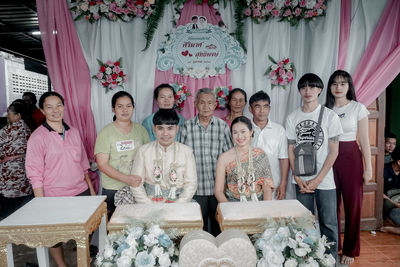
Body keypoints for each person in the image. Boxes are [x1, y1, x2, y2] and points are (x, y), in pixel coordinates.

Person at [25, 91, 96, 267]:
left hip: (80, 191)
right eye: (49, 107)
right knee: (54, 236)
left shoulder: (74, 132)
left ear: (64, 107)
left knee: (84, 232)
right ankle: (61, 265)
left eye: (59, 105)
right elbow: (34, 172)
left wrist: (92, 192)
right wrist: (40, 203)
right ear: (42, 110)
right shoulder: (37, 137)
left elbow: (83, 164)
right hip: (53, 196)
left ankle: (84, 261)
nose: (55, 110)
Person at [285, 73, 343, 261]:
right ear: (300, 91)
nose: (308, 91)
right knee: (304, 224)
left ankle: (330, 261)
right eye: (303, 87)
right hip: (302, 180)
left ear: (319, 90)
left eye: (312, 87)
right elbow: (291, 149)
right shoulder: (292, 117)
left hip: (324, 180)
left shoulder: (330, 116)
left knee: (329, 223)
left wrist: (318, 179)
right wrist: (297, 177)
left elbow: (334, 151)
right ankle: (307, 261)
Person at [325, 70, 372, 265]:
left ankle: (350, 250)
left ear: (349, 86)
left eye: (343, 83)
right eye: (334, 83)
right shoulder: (324, 109)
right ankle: (332, 247)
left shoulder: (358, 108)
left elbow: (364, 140)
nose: (338, 87)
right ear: (329, 87)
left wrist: (368, 167)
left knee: (353, 206)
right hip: (329, 158)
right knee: (330, 206)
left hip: (351, 157)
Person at [179, 88, 233, 236]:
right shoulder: (187, 127)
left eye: (210, 103)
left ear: (215, 105)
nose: (206, 106)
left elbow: (229, 158)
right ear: (195, 104)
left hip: (219, 189)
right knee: (197, 229)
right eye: (202, 102)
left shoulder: (222, 127)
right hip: (196, 189)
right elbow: (181, 158)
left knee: (220, 227)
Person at [95, 91, 149, 219]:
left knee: (139, 225)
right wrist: (126, 179)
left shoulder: (141, 130)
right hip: (113, 189)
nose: (125, 110)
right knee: (115, 229)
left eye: (128, 106)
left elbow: (148, 156)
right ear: (113, 109)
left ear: (133, 107)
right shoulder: (106, 133)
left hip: (138, 187)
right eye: (120, 106)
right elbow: (102, 164)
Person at [130, 109, 197, 203]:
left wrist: (179, 204)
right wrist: (148, 204)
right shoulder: (143, 151)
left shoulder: (187, 152)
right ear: (154, 129)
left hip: (180, 203)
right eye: (160, 128)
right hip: (150, 202)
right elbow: (136, 184)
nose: (165, 133)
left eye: (170, 128)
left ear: (177, 129)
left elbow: (191, 184)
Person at [215, 116, 274, 202]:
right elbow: (218, 191)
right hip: (233, 204)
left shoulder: (260, 154)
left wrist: (265, 209)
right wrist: (229, 211)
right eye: (235, 132)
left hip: (258, 204)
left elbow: (267, 187)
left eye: (243, 132)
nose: (239, 136)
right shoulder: (224, 158)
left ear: (251, 132)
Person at [249, 91, 290, 200]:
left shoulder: (279, 130)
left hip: (274, 184)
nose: (262, 111)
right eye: (257, 107)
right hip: (249, 186)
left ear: (269, 108)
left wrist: (283, 183)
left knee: (271, 215)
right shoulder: (245, 130)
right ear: (250, 109)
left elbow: (283, 158)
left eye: (265, 107)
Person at [0, 101, 33, 220]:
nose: (7, 116)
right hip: (24, 170)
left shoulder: (7, 131)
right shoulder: (28, 129)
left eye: (9, 114)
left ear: (18, 115)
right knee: (22, 207)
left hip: (10, 171)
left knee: (9, 209)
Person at [381, 145, 400, 235]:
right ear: (399, 162)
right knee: (393, 211)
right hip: (390, 205)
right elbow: (378, 193)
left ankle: (394, 229)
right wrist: (395, 203)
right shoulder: (384, 170)